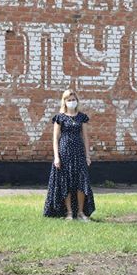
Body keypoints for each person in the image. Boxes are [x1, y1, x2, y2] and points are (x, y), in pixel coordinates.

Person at [44, 90, 95, 220]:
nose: (72, 102)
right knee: (64, 181)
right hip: (64, 152)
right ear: (64, 101)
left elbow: (85, 137)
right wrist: (56, 156)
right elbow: (55, 138)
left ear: (77, 101)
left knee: (81, 182)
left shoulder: (81, 117)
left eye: (73, 99)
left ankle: (80, 213)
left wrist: (88, 155)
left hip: (78, 153)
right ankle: (69, 213)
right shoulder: (59, 117)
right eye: (69, 100)